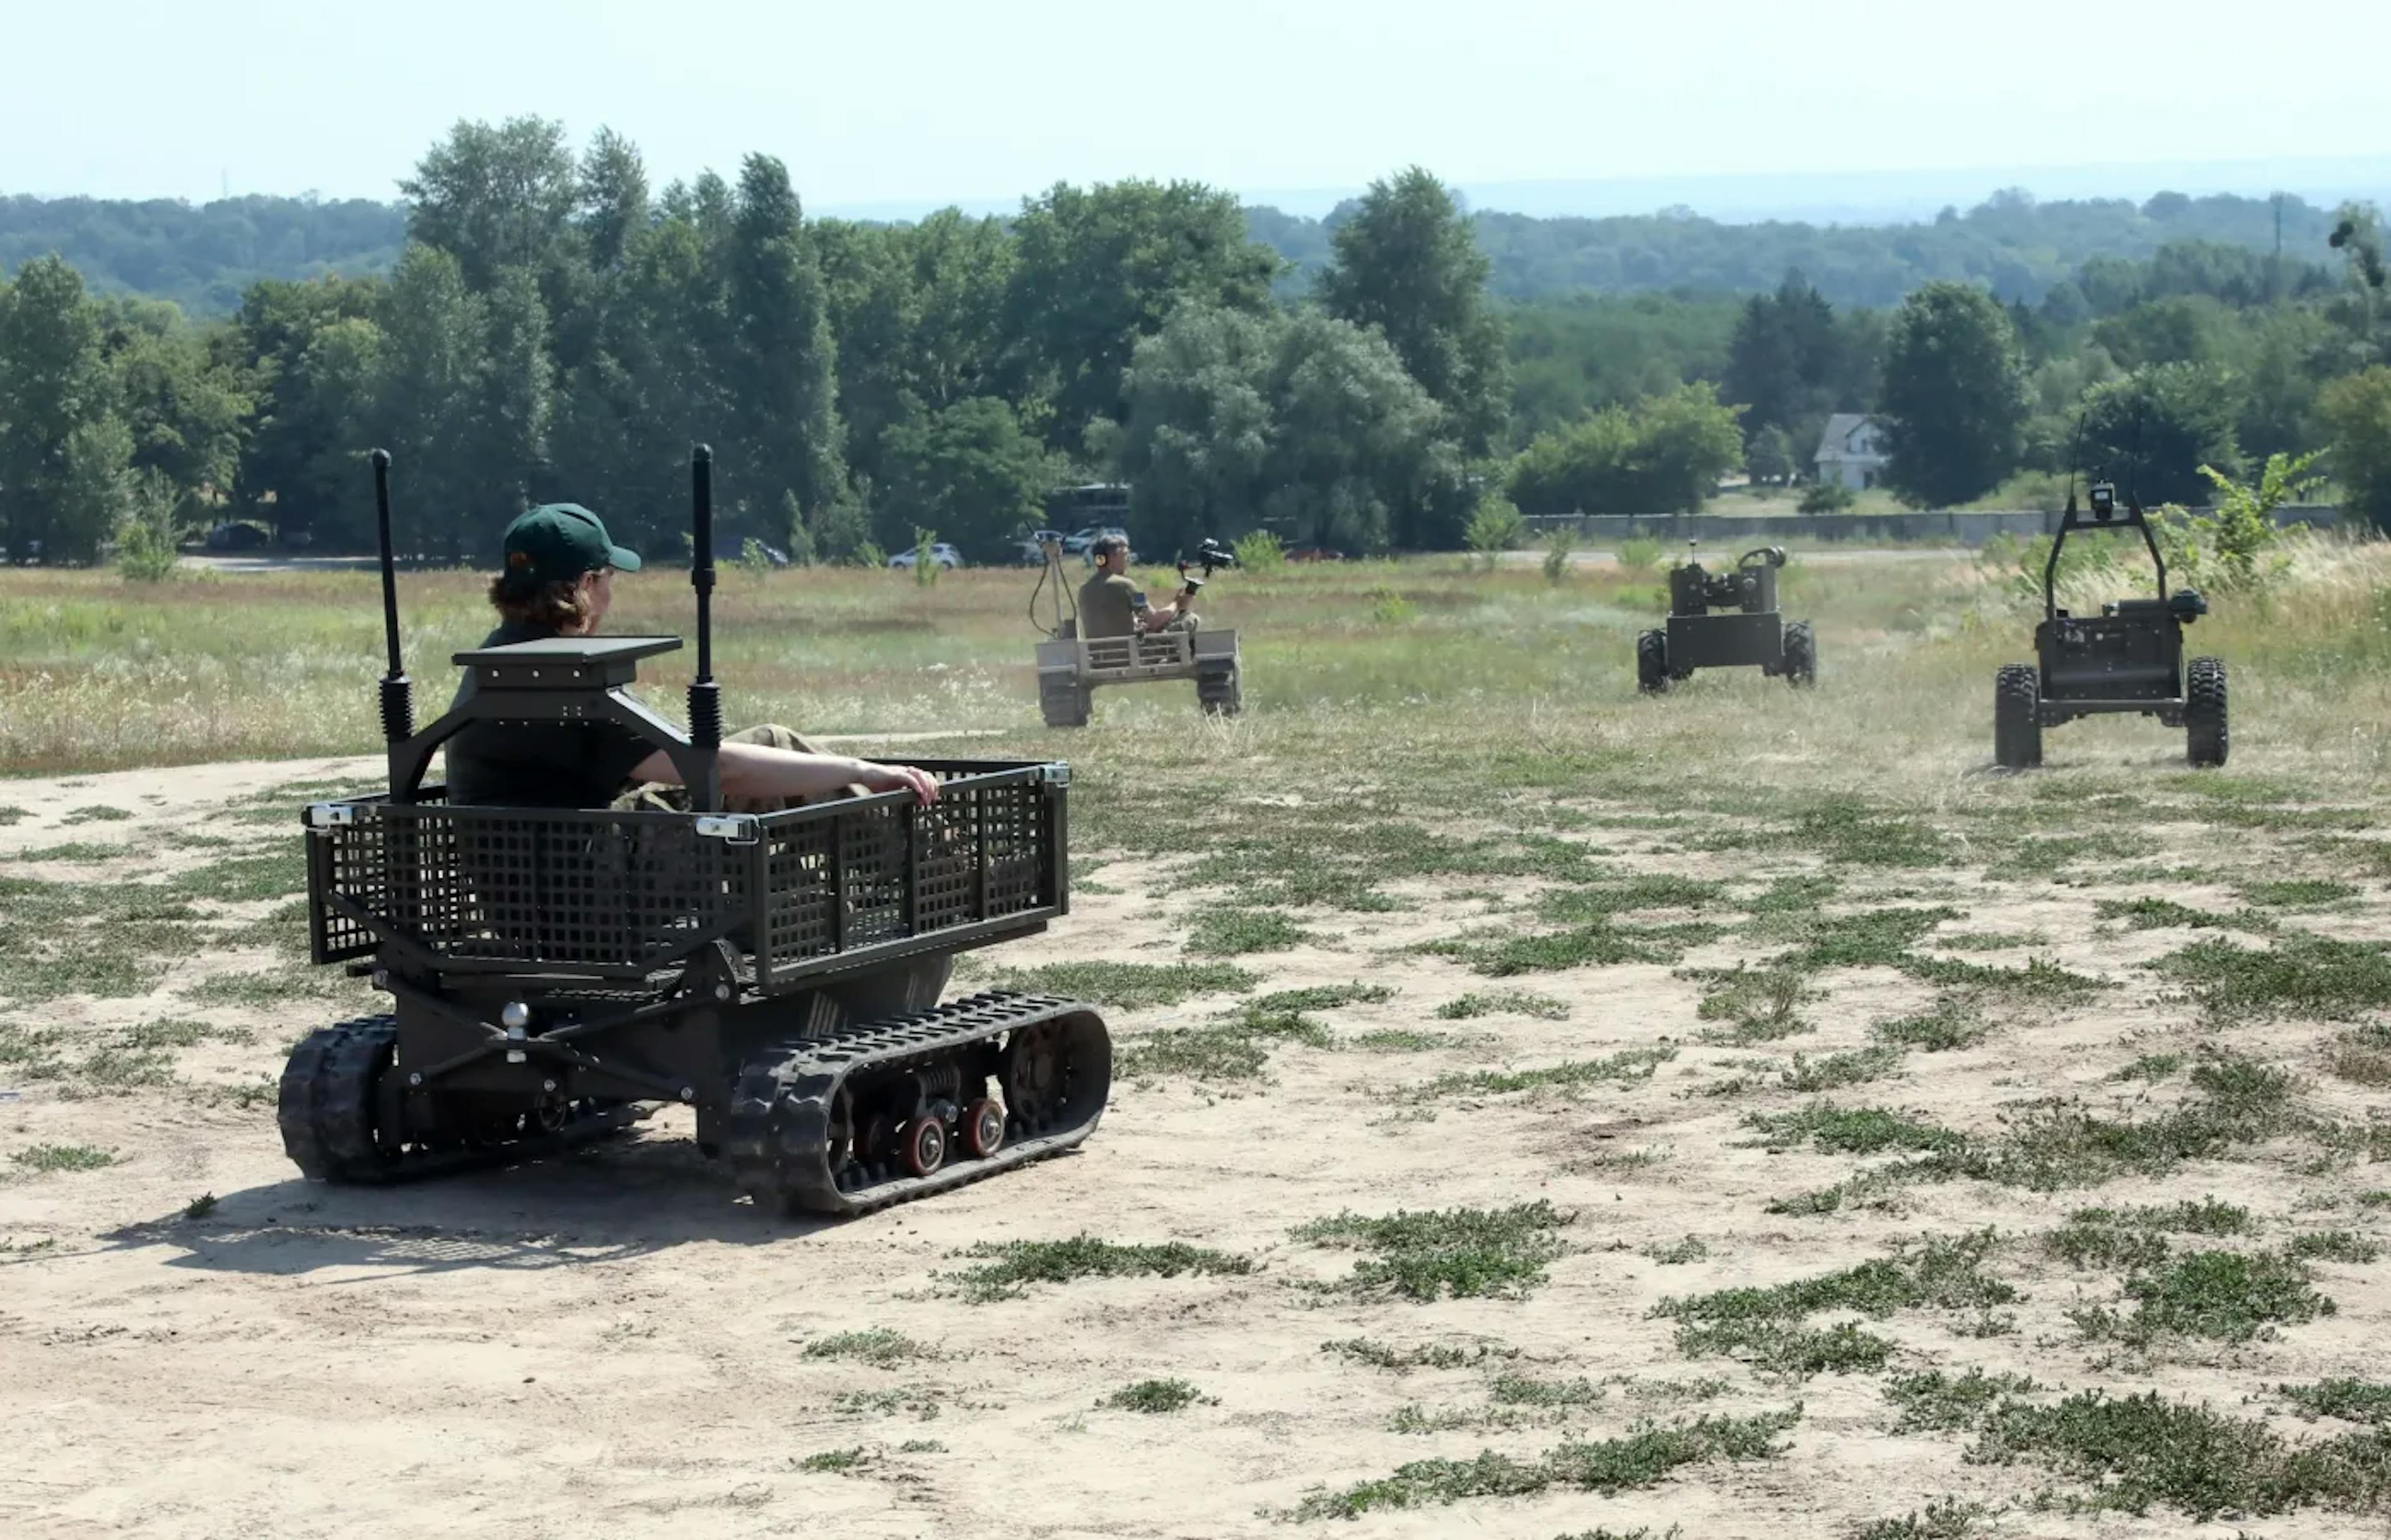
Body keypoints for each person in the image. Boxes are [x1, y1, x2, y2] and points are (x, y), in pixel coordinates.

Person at [442, 502, 938, 812]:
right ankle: (934, 868)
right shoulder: (561, 678)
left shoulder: (502, 656)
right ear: (588, 586)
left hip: (549, 882)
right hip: (583, 893)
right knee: (757, 783)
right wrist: (862, 770)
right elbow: (715, 770)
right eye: (609, 579)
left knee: (769, 747)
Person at [1075, 533, 1197, 640]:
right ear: (1113, 557)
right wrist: (1177, 604)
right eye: (1125, 555)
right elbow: (1154, 621)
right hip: (1130, 654)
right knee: (1190, 620)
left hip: (1098, 658)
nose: (1128, 560)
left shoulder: (1084, 590)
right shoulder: (1126, 585)